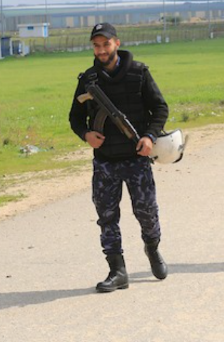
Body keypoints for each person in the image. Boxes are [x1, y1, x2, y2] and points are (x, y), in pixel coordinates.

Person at [69, 23, 169, 292]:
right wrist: (86, 134)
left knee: (146, 212)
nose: (101, 50)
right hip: (105, 162)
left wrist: (149, 136)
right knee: (106, 216)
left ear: (116, 43)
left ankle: (152, 248)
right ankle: (117, 270)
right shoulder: (88, 79)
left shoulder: (139, 73)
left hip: (136, 159)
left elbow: (160, 108)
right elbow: (75, 118)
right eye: (96, 45)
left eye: (106, 44)